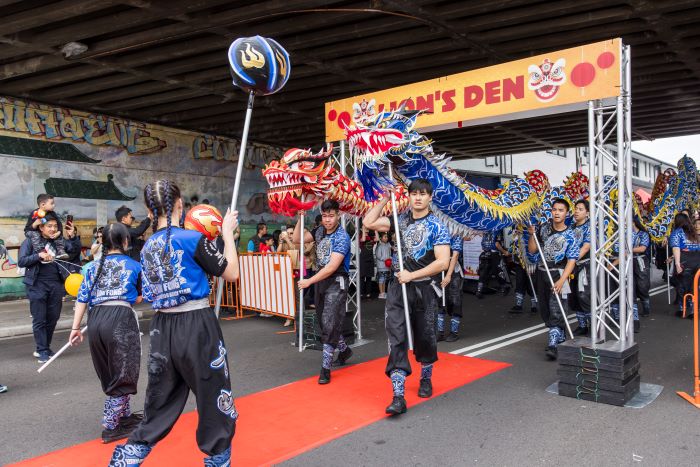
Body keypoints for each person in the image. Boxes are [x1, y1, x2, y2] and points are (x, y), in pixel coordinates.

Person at [109, 179, 240, 466]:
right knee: (213, 396)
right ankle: (218, 460)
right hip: (196, 325)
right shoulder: (191, 239)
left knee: (159, 401)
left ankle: (126, 458)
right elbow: (230, 273)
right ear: (180, 204)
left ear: (148, 208)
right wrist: (227, 234)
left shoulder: (147, 248)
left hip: (162, 329)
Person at [363, 179, 450, 415]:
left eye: (423, 194)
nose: (418, 198)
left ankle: (426, 377)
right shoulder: (398, 220)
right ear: (409, 197)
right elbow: (368, 222)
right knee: (396, 336)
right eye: (414, 194)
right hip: (397, 288)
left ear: (430, 197)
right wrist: (384, 198)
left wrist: (413, 274)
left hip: (424, 289)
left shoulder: (437, 225)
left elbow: (442, 261)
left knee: (425, 337)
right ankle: (398, 395)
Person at [68, 223, 144, 443]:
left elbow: (81, 298)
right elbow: (139, 297)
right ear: (126, 241)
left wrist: (75, 328)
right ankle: (111, 426)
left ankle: (124, 416)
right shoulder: (134, 265)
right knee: (125, 371)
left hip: (96, 320)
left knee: (112, 371)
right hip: (120, 318)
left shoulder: (91, 267)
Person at [294, 200, 352, 383]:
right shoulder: (319, 231)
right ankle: (344, 350)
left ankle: (325, 369)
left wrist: (308, 281)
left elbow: (332, 267)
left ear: (338, 215)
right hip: (320, 281)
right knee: (325, 321)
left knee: (328, 321)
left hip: (336, 281)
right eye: (325, 216)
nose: (327, 220)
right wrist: (299, 218)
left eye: (331, 215)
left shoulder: (342, 237)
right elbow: (297, 240)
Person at [18, 212, 81, 363]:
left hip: (56, 285)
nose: (52, 229)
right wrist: (38, 256)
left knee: (53, 317)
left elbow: (74, 252)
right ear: (41, 228)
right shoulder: (31, 242)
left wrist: (72, 237)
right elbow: (22, 261)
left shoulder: (58, 242)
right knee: (40, 318)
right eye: (49, 226)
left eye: (54, 226)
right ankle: (42, 350)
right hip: (36, 285)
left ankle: (45, 347)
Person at [527, 198, 579, 360]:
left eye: (561, 210)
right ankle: (559, 335)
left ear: (566, 213)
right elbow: (533, 250)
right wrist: (532, 235)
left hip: (559, 274)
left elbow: (572, 260)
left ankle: (553, 345)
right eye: (554, 209)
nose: (556, 213)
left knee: (557, 308)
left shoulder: (571, 235)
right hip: (542, 273)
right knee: (545, 309)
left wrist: (563, 279)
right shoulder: (543, 229)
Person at [670, 213, 700, 318]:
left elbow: (676, 248)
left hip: (685, 260)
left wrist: (677, 264)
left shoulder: (677, 233)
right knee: (694, 286)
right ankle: (693, 311)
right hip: (697, 260)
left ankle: (682, 309)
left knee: (681, 286)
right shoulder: (694, 233)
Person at [569, 200, 592, 335]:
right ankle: (582, 325)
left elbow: (586, 247)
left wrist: (572, 260)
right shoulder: (570, 228)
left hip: (585, 266)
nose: (576, 211)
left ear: (587, 213)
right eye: (575, 208)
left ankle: (592, 325)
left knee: (584, 295)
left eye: (580, 209)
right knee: (573, 296)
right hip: (571, 266)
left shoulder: (590, 227)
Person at [437, 234, 464, 342]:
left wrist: (448, 275)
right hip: (439, 271)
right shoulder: (438, 232)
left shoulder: (457, 233)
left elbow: (455, 255)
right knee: (440, 301)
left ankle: (454, 332)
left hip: (454, 273)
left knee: (455, 302)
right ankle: (440, 332)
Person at [24, 193, 68, 260]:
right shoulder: (34, 213)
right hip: (32, 232)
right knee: (35, 234)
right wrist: (35, 224)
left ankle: (61, 251)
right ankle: (41, 252)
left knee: (58, 235)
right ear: (43, 205)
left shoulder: (53, 213)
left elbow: (59, 224)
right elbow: (27, 228)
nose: (54, 205)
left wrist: (59, 232)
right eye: (52, 203)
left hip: (44, 234)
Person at [509, 225, 538, 314]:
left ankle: (534, 305)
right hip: (519, 258)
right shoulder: (514, 225)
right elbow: (514, 241)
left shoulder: (532, 223)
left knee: (532, 282)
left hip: (530, 259)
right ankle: (518, 304)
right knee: (519, 281)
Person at [476, 229, 510, 298]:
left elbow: (482, 238)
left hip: (485, 253)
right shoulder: (497, 230)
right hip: (494, 254)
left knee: (483, 272)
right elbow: (497, 244)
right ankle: (503, 288)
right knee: (499, 271)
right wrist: (504, 252)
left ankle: (479, 290)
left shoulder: (485, 229)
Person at [375, 232, 392, 299]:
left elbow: (390, 253)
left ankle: (383, 292)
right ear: (381, 238)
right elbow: (378, 255)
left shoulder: (387, 245)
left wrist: (390, 258)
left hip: (387, 266)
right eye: (385, 237)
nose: (386, 238)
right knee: (381, 279)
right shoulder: (379, 245)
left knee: (384, 280)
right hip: (381, 266)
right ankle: (381, 293)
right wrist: (386, 259)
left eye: (387, 237)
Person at [360, 228, 376, 299]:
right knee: (362, 277)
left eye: (367, 229)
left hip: (370, 259)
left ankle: (368, 293)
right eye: (365, 228)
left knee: (369, 277)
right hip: (363, 259)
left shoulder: (371, 238)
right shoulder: (360, 236)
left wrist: (375, 230)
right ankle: (361, 293)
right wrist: (363, 230)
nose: (366, 230)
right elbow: (363, 239)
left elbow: (377, 239)